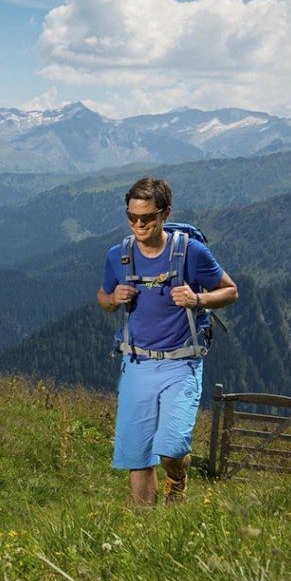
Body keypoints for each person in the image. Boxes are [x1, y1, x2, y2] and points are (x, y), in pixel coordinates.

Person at [97, 176, 238, 505]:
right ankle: (143, 534)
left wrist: (197, 299)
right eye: (132, 217)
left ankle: (177, 475)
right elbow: (102, 298)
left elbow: (231, 291)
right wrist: (112, 298)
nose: (139, 224)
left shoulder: (191, 252)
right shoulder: (118, 255)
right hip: (136, 363)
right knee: (138, 456)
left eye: (147, 217)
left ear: (165, 213)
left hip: (181, 362)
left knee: (171, 448)